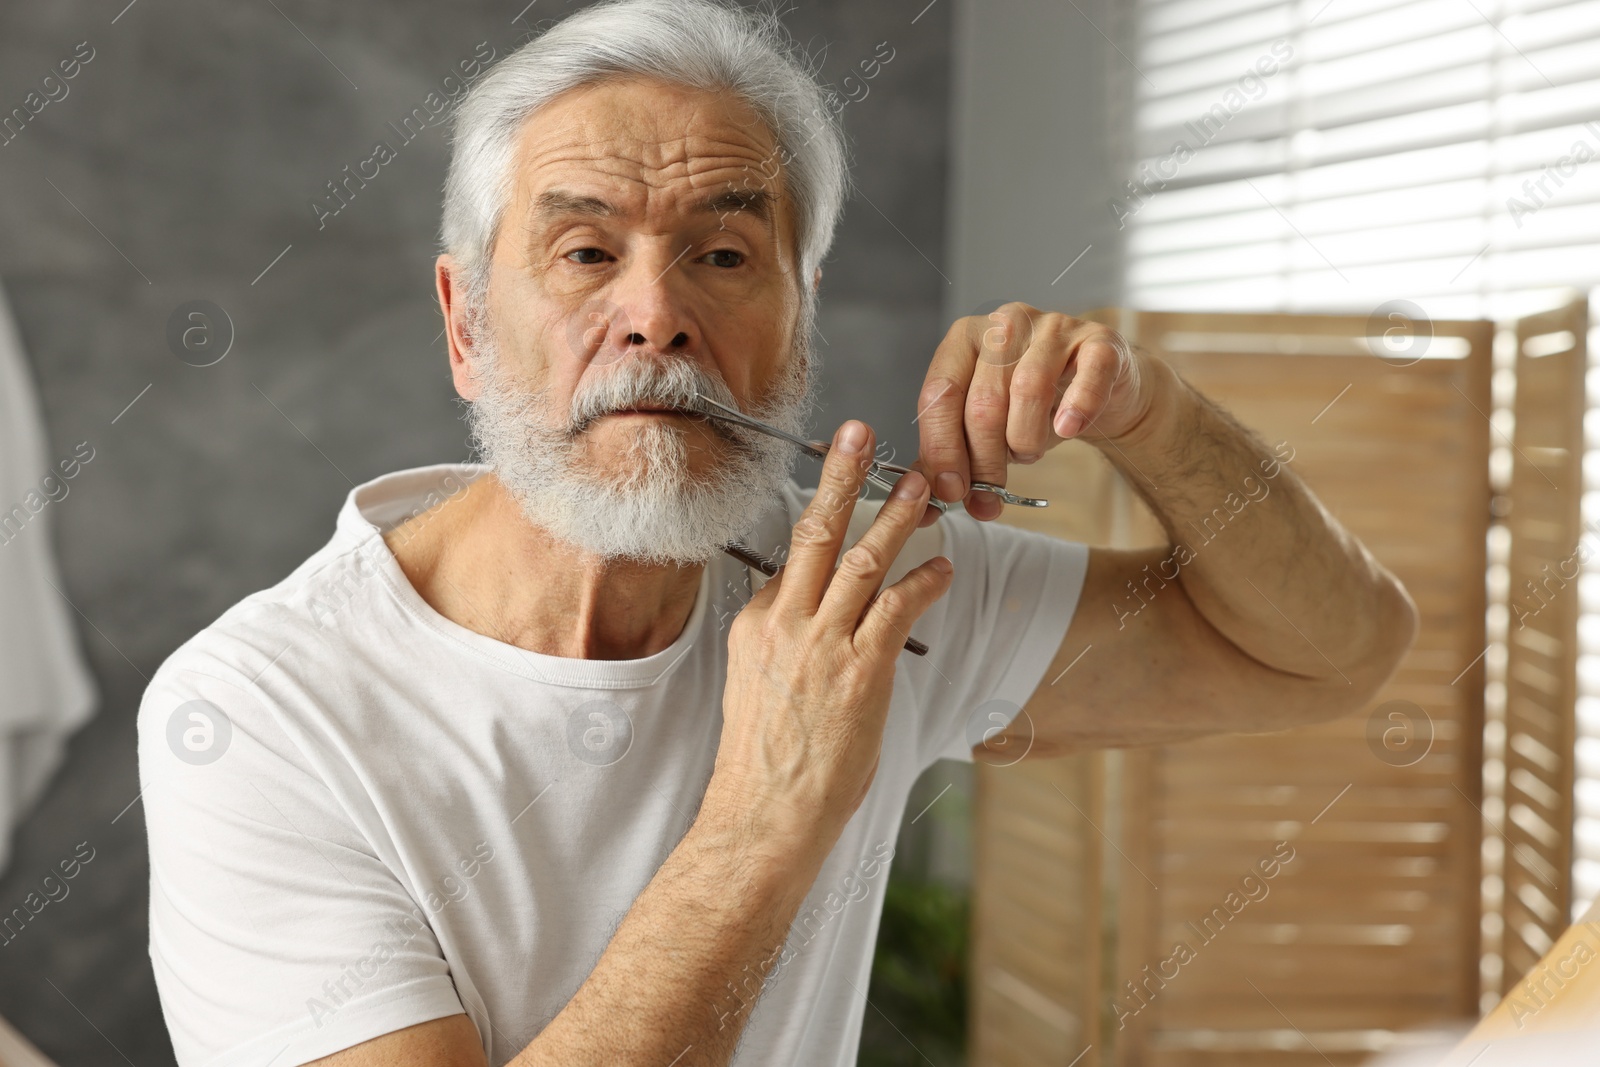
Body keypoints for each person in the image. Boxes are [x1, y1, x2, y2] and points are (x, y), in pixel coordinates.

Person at [136, 2, 1417, 1064]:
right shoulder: (258, 713)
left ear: (799, 324)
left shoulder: (869, 591)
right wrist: (767, 813)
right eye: (584, 251)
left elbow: (1332, 651)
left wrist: (1146, 411)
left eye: (726, 255)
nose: (657, 316)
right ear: (467, 323)